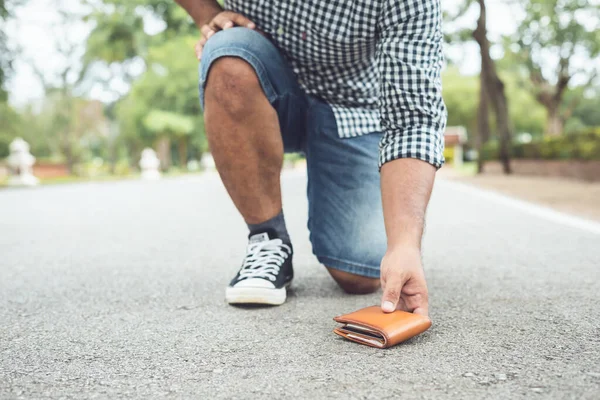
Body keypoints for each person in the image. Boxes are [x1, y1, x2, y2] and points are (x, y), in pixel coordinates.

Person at [175, 0, 447, 316]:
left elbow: (411, 118)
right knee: (227, 53)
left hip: (350, 107)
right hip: (259, 77)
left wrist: (404, 245)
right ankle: (267, 238)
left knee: (358, 271)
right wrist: (207, 15)